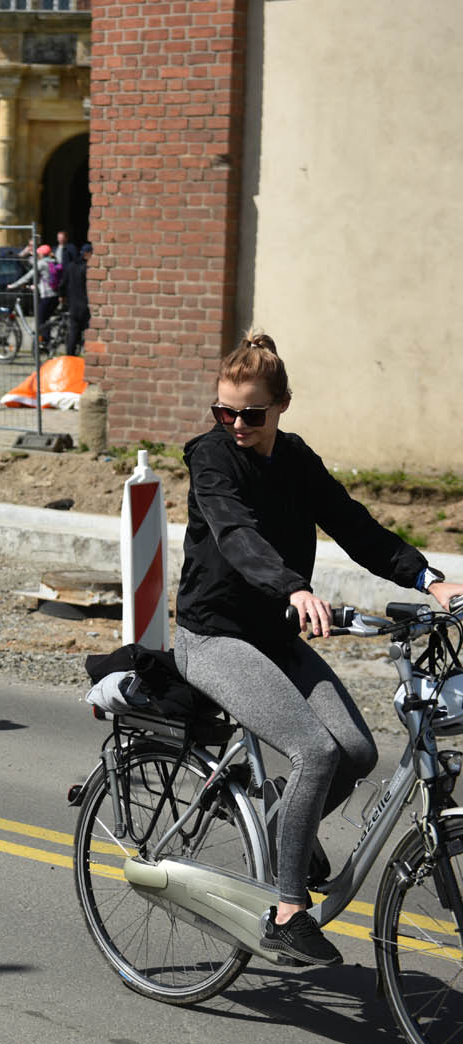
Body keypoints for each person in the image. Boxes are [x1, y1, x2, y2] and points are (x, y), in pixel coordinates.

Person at [174, 332, 463, 967]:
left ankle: (284, 827)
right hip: (213, 636)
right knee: (313, 748)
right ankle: (285, 912)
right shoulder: (212, 459)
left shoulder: (297, 459)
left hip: (272, 635)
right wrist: (294, 586)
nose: (237, 424)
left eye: (251, 413)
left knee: (356, 752)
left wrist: (429, 579)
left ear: (282, 407)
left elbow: (355, 527)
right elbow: (236, 533)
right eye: (225, 412)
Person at [7, 243, 62, 348]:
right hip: (55, 295)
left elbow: (28, 276)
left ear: (41, 254)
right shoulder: (54, 262)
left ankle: (44, 343)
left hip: (46, 295)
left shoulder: (41, 264)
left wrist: (13, 285)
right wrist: (37, 286)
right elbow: (47, 278)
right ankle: (46, 340)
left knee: (41, 320)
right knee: (46, 319)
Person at [60, 242, 91, 356]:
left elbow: (63, 283)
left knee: (74, 332)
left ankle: (70, 356)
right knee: (87, 331)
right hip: (85, 304)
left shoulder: (71, 266)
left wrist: (61, 296)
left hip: (73, 304)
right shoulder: (87, 268)